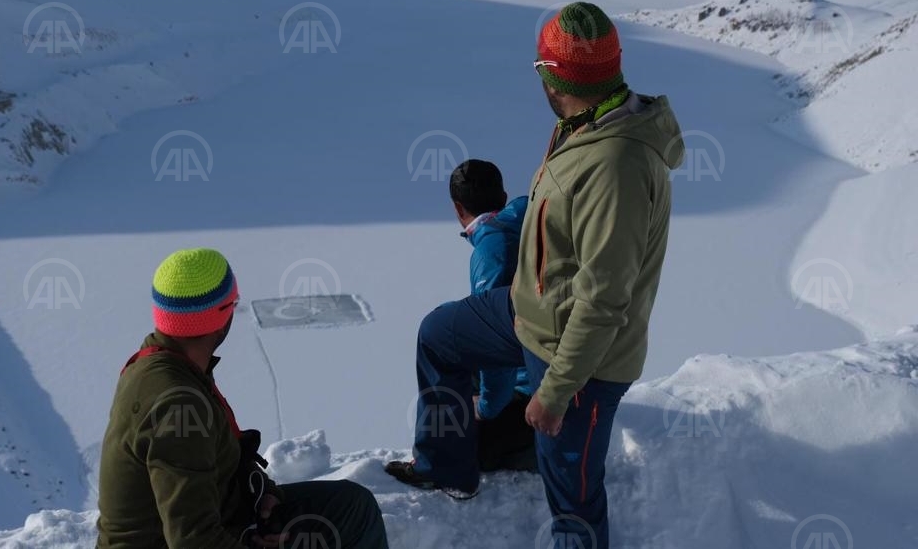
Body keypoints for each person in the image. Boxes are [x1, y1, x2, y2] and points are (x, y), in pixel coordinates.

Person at [387, 3, 685, 548]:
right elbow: (561, 208)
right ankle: (448, 466)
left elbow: (604, 298)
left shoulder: (616, 163)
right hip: (532, 313)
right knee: (439, 336)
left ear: (553, 78)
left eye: (539, 70)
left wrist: (555, 391)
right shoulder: (585, 121)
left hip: (583, 356)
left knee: (572, 499)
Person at [97, 248, 388, 548]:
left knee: (354, 507)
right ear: (220, 317)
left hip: (221, 514)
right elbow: (193, 541)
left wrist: (264, 492)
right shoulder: (178, 404)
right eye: (232, 304)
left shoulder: (167, 362)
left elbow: (207, 459)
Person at [448, 159, 536, 473]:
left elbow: (496, 339)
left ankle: (534, 452)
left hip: (537, 392)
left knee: (456, 445)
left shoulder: (491, 252)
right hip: (568, 370)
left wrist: (485, 409)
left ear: (459, 209)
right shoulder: (530, 215)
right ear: (503, 196)